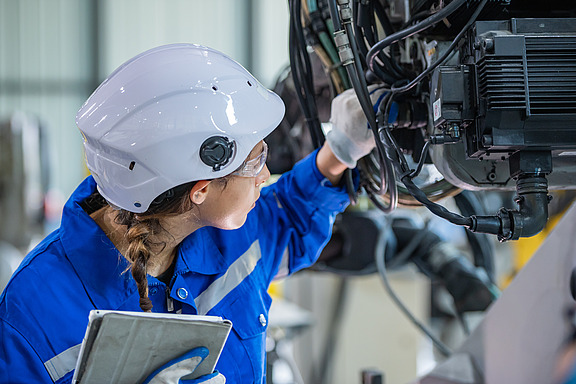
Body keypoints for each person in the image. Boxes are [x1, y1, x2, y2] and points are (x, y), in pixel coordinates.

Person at [0, 43, 377, 383]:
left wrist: (341, 149)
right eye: (256, 160)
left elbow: (291, 214)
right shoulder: (33, 311)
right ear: (201, 190)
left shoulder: (228, 235)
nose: (265, 175)